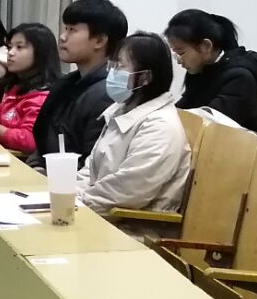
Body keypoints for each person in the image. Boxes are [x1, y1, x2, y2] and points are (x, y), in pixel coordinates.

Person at [77, 32, 192, 215]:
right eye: (112, 65)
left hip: (129, 225)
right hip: (97, 211)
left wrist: (78, 202)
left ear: (145, 77)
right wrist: (69, 193)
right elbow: (91, 170)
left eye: (120, 66)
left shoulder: (160, 127)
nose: (112, 73)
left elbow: (128, 191)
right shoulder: (121, 111)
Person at [31, 0, 127, 166]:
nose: (62, 37)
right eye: (65, 28)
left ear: (99, 41)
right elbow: (43, 140)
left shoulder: (109, 94)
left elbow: (93, 163)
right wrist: (35, 167)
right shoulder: (66, 83)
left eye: (72, 30)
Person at [165, 9, 257, 138]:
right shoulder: (200, 70)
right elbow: (183, 110)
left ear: (206, 46)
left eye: (181, 52)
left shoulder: (240, 78)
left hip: (235, 146)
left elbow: (211, 119)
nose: (178, 60)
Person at [0, 23, 59, 156]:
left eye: (19, 47)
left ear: (40, 52)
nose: (11, 53)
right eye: (10, 47)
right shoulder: (7, 87)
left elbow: (30, 142)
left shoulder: (42, 96)